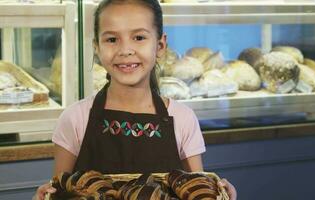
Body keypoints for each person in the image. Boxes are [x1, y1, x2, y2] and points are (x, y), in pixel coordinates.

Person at [34, 0, 237, 199]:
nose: (125, 50)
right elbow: (60, 190)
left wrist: (217, 193)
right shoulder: (74, 119)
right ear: (96, 47)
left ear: (160, 45)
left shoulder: (183, 119)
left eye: (139, 37)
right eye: (112, 40)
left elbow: (196, 191)